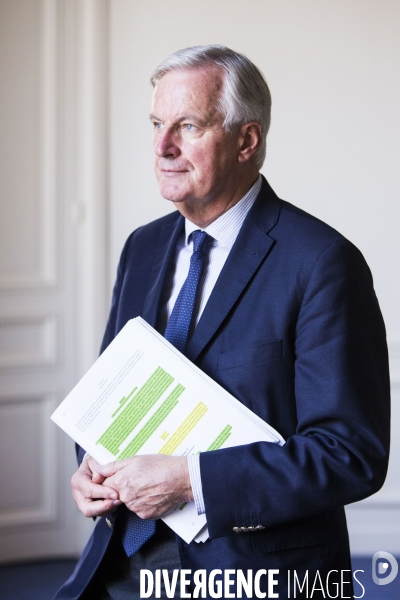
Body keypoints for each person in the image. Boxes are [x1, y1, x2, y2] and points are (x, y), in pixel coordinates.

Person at [55, 45, 390, 599]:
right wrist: (93, 468)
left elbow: (349, 453)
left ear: (246, 140)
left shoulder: (323, 263)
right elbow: (110, 396)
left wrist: (191, 481)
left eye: (187, 126)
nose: (162, 146)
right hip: (121, 565)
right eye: (158, 123)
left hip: (254, 573)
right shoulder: (142, 247)